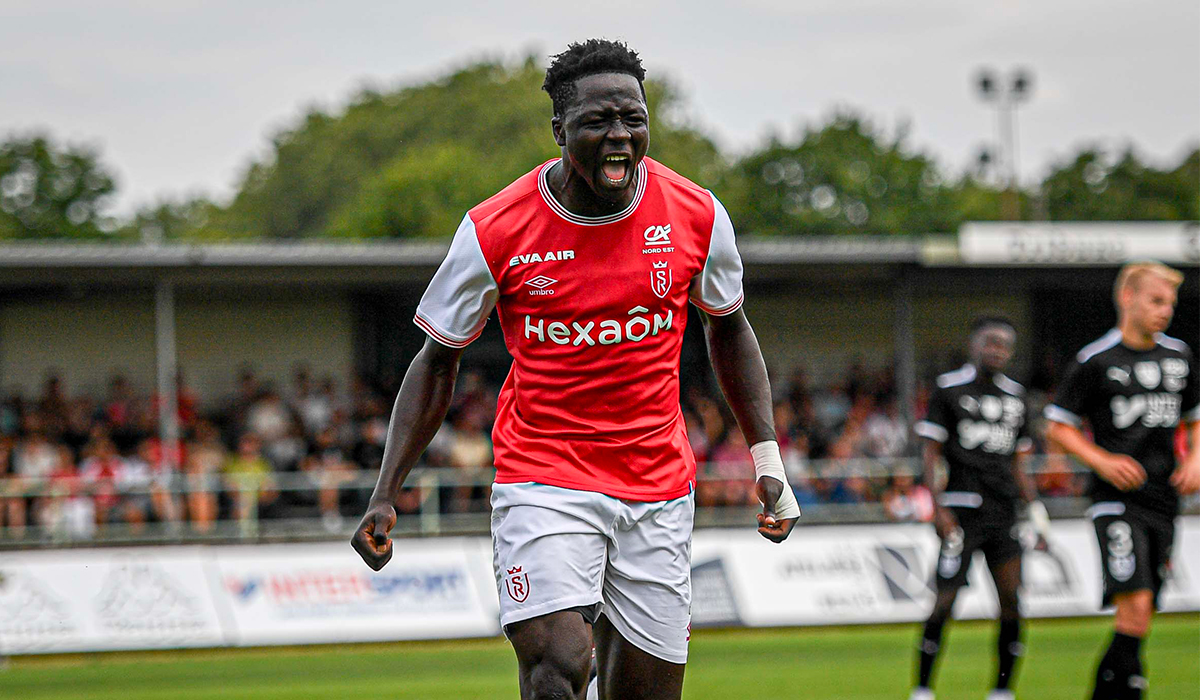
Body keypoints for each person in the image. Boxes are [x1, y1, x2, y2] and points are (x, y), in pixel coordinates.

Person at [350, 38, 800, 700]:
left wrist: (767, 459)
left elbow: (728, 327)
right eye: (599, 121)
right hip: (545, 479)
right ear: (560, 129)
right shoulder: (494, 229)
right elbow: (435, 360)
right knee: (558, 666)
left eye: (633, 119)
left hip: (657, 486)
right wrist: (386, 491)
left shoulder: (697, 216)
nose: (620, 135)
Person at [1044, 262, 1199, 700]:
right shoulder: (1096, 359)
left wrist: (1197, 461)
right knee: (1135, 606)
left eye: (1170, 302)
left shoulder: (1179, 356)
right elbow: (1058, 425)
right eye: (1155, 300)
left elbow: (1194, 419)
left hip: (1164, 500)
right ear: (1127, 299)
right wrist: (1102, 459)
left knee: (1141, 616)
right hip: (1115, 501)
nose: (1165, 311)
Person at [909, 316, 1051, 700]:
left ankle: (1002, 690)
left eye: (1004, 344)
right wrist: (935, 507)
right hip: (961, 510)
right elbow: (930, 454)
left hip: (1004, 512)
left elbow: (1019, 463)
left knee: (1011, 601)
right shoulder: (948, 389)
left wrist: (1035, 508)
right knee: (945, 601)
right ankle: (923, 688)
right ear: (974, 344)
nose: (996, 350)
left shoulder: (1017, 397)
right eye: (990, 342)